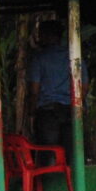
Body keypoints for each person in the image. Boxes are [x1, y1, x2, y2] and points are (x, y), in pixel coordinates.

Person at [26, 20, 73, 149]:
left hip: (48, 112)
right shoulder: (73, 56)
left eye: (41, 35)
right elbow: (84, 87)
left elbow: (34, 90)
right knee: (70, 153)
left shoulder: (39, 58)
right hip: (70, 110)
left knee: (49, 153)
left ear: (47, 35)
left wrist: (31, 113)